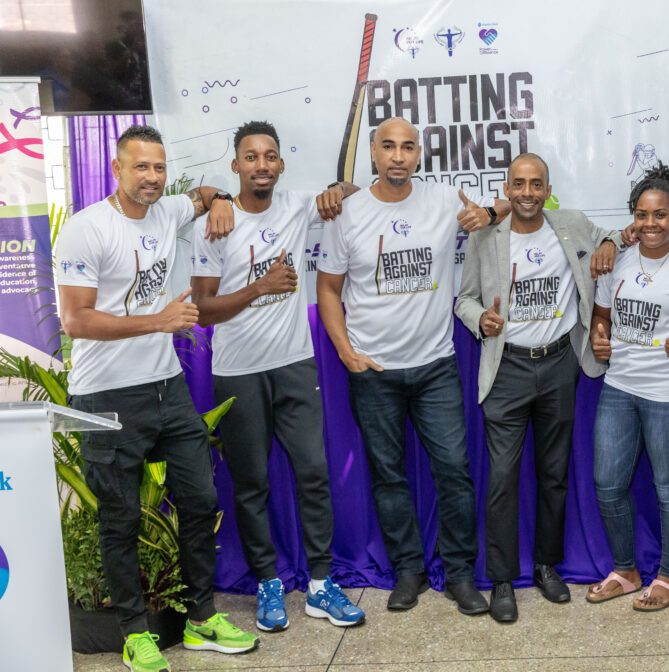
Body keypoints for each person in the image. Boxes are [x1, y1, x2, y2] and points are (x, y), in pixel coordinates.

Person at [55, 124, 258, 672]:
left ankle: (199, 620)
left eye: (159, 167)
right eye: (139, 167)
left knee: (201, 500)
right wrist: (159, 321)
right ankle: (132, 634)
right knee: (119, 520)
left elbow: (204, 194)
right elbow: (75, 320)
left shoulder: (169, 212)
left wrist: (216, 200)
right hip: (106, 396)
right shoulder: (85, 230)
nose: (151, 177)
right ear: (116, 170)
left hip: (167, 390)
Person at [316, 116, 509, 616]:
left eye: (408, 147)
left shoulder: (446, 200)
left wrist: (487, 214)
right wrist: (344, 352)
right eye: (388, 147)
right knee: (388, 476)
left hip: (435, 367)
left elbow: (507, 203)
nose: (398, 156)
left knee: (454, 471)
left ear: (419, 154)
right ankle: (408, 569)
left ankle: (461, 575)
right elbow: (329, 290)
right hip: (372, 371)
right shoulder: (347, 214)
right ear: (374, 155)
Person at [190, 120, 365, 633]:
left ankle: (319, 585)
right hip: (238, 371)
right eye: (250, 157)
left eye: (270, 156)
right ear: (236, 165)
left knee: (313, 473)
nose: (261, 165)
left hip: (294, 364)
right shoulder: (215, 225)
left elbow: (351, 189)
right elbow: (202, 310)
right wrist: (260, 287)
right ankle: (267, 583)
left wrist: (337, 191)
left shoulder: (295, 206)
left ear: (281, 164)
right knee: (252, 484)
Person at [454, 152, 622, 622]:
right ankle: (503, 579)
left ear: (548, 189)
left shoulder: (569, 223)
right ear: (506, 189)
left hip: (558, 366)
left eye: (537, 184)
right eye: (519, 184)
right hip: (506, 369)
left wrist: (608, 243)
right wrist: (480, 319)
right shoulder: (486, 237)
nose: (528, 192)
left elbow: (612, 235)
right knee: (503, 478)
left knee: (554, 473)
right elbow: (463, 299)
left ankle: (548, 565)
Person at [585, 162, 669, 611]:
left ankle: (668, 577)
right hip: (619, 387)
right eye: (642, 215)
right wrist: (597, 337)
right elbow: (602, 317)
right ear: (632, 219)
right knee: (607, 484)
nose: (650, 223)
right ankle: (625, 570)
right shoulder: (615, 262)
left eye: (660, 214)